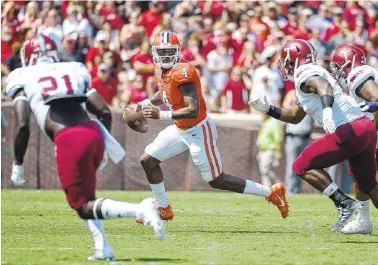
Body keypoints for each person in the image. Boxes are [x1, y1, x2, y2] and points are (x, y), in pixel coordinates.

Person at [6, 34, 165, 261]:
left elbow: (22, 124)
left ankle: (140, 209)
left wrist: (18, 163)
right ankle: (102, 247)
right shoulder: (73, 68)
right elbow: (103, 111)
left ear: (28, 56)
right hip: (94, 132)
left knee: (82, 204)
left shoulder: (22, 76)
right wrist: (101, 145)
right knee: (87, 196)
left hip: (70, 138)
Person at [126, 31, 289, 222]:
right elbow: (163, 94)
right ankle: (163, 208)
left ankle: (270, 192)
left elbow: (193, 110)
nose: (165, 56)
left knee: (216, 180)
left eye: (169, 52)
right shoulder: (160, 70)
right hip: (180, 129)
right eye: (161, 52)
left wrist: (160, 114)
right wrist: (142, 104)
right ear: (154, 53)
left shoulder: (183, 72)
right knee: (148, 160)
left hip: (198, 130)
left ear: (178, 51)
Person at [249, 39, 378, 232]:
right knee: (368, 185)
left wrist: (326, 111)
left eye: (286, 60)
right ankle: (351, 209)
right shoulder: (309, 76)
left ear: (293, 58)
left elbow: (323, 86)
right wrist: (268, 108)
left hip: (349, 129)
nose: (284, 65)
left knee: (300, 165)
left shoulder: (304, 72)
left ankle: (344, 203)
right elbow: (294, 116)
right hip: (366, 128)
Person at [331, 44, 378, 234]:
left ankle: (363, 220)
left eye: (338, 65)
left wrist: (367, 109)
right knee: (358, 172)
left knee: (364, 175)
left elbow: (376, 98)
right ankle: (363, 220)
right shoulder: (367, 71)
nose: (338, 71)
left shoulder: (357, 75)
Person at [282, 90, 313, 194]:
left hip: (305, 137)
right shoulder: (292, 94)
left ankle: (297, 190)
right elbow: (284, 112)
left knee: (301, 167)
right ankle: (290, 191)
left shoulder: (309, 98)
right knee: (291, 165)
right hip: (292, 137)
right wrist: (291, 101)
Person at [256, 114, 283, 186]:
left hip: (270, 150)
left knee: (265, 170)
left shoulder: (273, 123)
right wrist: (259, 152)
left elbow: (278, 139)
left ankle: (269, 188)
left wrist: (278, 151)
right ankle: (275, 187)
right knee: (267, 171)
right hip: (263, 150)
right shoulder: (265, 123)